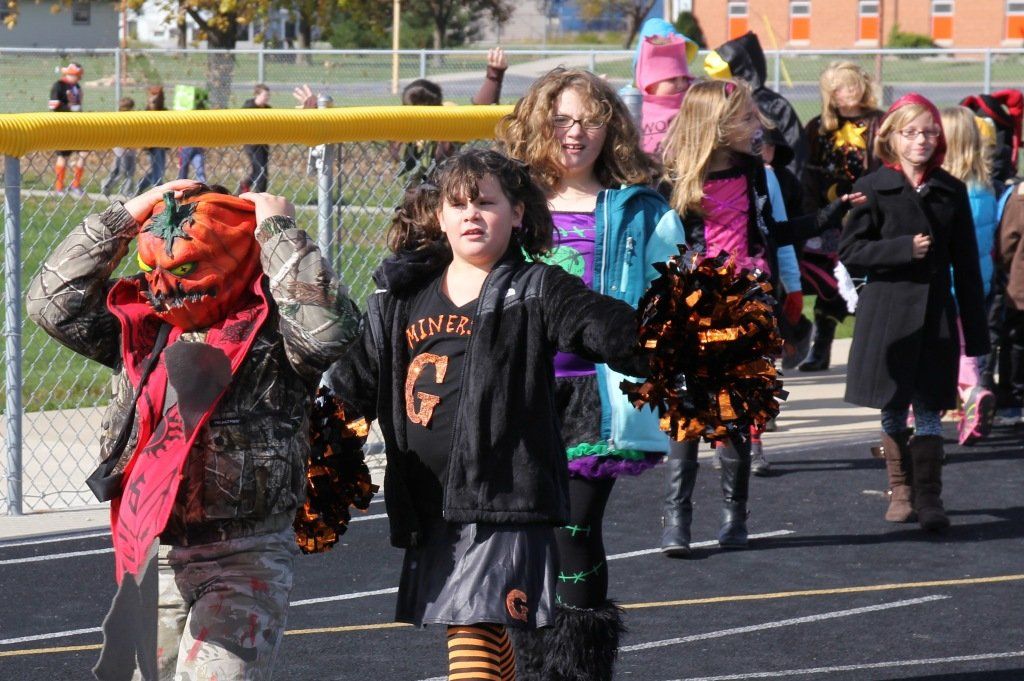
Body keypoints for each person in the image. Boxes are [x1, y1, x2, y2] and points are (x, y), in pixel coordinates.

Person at [326, 149, 651, 681]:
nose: (471, 214)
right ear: (439, 217)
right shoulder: (401, 298)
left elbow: (595, 323)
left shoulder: (537, 288)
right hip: (432, 502)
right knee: (489, 633)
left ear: (518, 213)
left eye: (486, 202)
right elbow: (353, 386)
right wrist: (319, 442)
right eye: (457, 204)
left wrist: (658, 337)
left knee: (471, 633)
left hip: (504, 500)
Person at [27, 180, 361, 679]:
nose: (165, 283)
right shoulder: (143, 328)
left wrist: (278, 231)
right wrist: (126, 217)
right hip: (153, 553)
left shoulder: (274, 335)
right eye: (154, 267)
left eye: (183, 268)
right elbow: (52, 303)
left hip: (245, 558)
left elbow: (327, 329)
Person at [496, 67, 684, 680]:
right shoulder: (509, 203)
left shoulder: (638, 209)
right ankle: (531, 664)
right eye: (561, 119)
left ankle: (580, 668)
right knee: (521, 539)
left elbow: (672, 295)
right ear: (537, 123)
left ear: (612, 128)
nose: (575, 133)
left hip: (596, 396)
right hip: (516, 392)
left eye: (590, 119)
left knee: (574, 526)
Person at [659, 79, 860, 555]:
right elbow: (660, 246)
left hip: (747, 305)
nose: (760, 126)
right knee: (686, 413)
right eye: (748, 117)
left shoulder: (754, 174)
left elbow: (774, 232)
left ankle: (734, 515)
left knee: (733, 412)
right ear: (717, 124)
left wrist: (829, 217)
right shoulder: (673, 180)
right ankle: (677, 518)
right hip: (694, 308)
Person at [839, 94, 989, 531]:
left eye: (929, 132)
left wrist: (976, 338)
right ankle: (900, 489)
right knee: (892, 405)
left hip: (936, 315)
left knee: (929, 407)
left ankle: (929, 496)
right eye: (911, 132)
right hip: (887, 314)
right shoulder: (871, 188)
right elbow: (851, 251)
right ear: (891, 137)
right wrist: (902, 249)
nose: (921, 140)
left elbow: (967, 265)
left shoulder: (950, 190)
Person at [293, 47, 508, 190]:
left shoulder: (444, 137)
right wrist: (316, 107)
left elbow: (478, 112)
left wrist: (494, 76)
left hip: (445, 196)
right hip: (415, 206)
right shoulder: (401, 134)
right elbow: (347, 123)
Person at [799, 61, 884, 372]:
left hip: (869, 217)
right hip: (829, 218)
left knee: (867, 286)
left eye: (850, 85)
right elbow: (808, 178)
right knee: (831, 283)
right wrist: (813, 219)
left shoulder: (880, 123)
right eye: (837, 88)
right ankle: (821, 348)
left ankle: (871, 354)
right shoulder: (817, 127)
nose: (845, 93)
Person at [940, 106, 1000, 445]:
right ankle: (972, 398)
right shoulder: (984, 186)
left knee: (941, 348)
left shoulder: (948, 190)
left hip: (947, 282)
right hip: (978, 281)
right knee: (967, 347)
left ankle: (970, 394)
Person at [704, 31, 808, 177]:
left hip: (776, 180)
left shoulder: (774, 104)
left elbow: (794, 149)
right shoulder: (723, 102)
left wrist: (790, 188)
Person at [632, 18, 697, 157]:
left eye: (685, 78)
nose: (681, 84)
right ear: (649, 81)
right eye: (672, 79)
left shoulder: (692, 103)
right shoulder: (632, 104)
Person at [995, 167, 1024, 424]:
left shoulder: (1019, 198)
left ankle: (1012, 401)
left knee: (1015, 343)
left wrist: (1006, 268)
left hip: (1020, 286)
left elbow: (1007, 242)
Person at [49, 61, 87, 197]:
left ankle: (76, 185)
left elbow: (78, 103)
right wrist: (69, 108)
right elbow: (53, 104)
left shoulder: (76, 86)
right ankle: (59, 187)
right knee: (63, 156)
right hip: (64, 125)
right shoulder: (59, 85)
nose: (79, 78)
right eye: (77, 75)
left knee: (83, 153)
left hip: (77, 124)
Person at [101, 97, 137, 197]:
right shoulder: (120, 118)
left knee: (129, 171)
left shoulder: (133, 118)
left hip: (130, 148)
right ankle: (107, 186)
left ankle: (127, 190)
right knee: (120, 171)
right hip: (121, 149)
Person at [136, 86, 169, 194]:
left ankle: (140, 185)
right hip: (153, 146)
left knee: (159, 170)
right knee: (157, 172)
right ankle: (159, 191)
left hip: (163, 144)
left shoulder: (164, 111)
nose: (155, 99)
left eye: (157, 96)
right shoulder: (147, 111)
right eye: (152, 96)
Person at [241, 83, 272, 193]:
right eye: (265, 95)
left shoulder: (268, 109)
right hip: (252, 145)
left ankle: (245, 186)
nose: (267, 98)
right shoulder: (249, 107)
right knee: (261, 171)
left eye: (268, 96)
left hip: (263, 144)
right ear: (257, 95)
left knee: (260, 171)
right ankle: (260, 194)